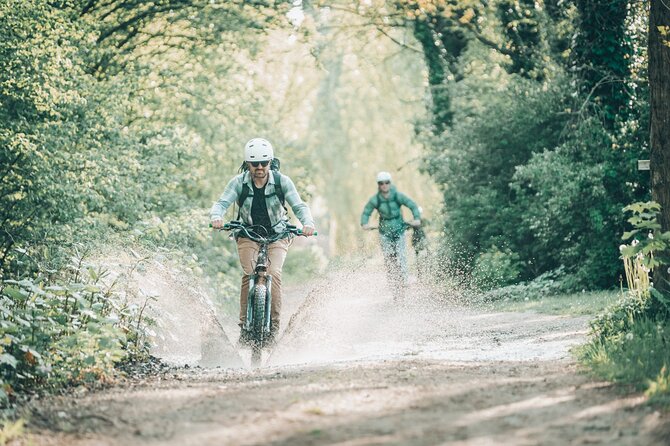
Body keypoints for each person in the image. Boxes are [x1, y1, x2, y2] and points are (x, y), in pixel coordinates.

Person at [210, 138, 316, 344]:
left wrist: (308, 223)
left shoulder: (282, 181)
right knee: (249, 273)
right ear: (247, 164)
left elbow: (299, 205)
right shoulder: (238, 182)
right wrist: (216, 217)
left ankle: (273, 329)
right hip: (248, 233)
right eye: (254, 163)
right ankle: (244, 328)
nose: (259, 168)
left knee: (274, 273)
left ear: (270, 162)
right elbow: (222, 203)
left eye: (264, 163)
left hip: (278, 234)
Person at [360, 171, 421, 296]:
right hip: (384, 232)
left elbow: (412, 205)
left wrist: (417, 218)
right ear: (378, 185)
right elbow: (366, 211)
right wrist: (364, 223)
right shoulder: (376, 199)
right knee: (388, 258)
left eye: (387, 182)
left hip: (399, 230)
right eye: (381, 183)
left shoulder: (397, 196)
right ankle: (392, 281)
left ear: (390, 183)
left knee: (402, 254)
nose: (384, 185)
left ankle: (404, 280)